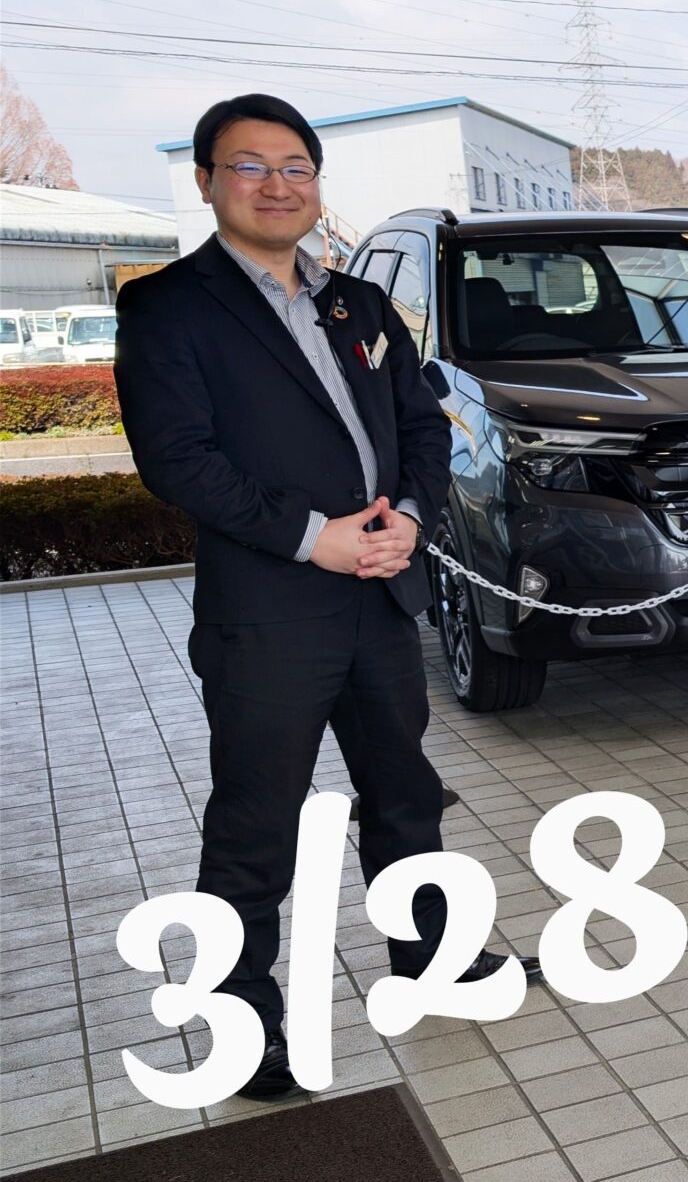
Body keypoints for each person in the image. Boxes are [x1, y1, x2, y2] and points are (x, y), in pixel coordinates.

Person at [116, 94, 539, 1102]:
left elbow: (424, 425)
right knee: (256, 819)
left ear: (316, 184)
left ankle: (431, 956)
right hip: (269, 612)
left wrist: (409, 517)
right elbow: (178, 461)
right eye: (250, 165)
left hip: (381, 598)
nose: (276, 185)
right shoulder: (169, 307)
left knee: (405, 793)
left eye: (296, 168)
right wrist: (317, 536)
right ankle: (243, 1021)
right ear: (207, 181)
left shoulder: (358, 304)